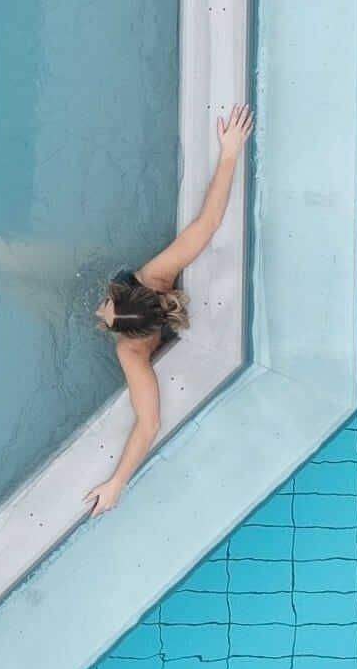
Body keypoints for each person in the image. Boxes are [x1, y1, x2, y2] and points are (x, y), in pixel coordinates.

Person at [86, 104, 253, 514]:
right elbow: (208, 223)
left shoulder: (132, 355)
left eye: (104, 317)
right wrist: (230, 151)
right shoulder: (153, 277)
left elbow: (149, 424)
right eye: (107, 304)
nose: (97, 312)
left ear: (128, 336)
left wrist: (117, 483)